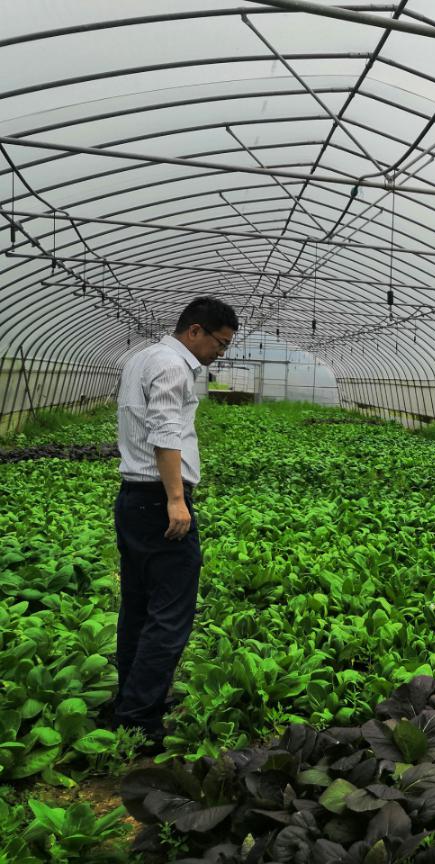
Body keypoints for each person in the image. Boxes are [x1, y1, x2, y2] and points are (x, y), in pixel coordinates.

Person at [113, 296, 238, 752]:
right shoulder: (171, 365)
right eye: (219, 344)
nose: (220, 353)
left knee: (139, 607)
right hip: (158, 501)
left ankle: (127, 701)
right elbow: (165, 433)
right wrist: (176, 500)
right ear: (195, 331)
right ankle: (141, 720)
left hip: (133, 499)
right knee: (170, 617)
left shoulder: (143, 357)